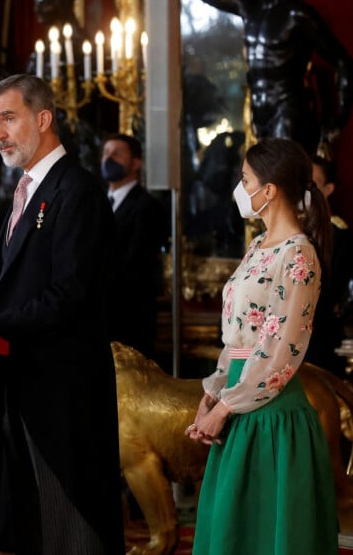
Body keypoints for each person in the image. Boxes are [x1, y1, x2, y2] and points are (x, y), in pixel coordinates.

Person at [0, 74, 125, 554]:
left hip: (61, 393)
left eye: (8, 118)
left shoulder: (78, 191)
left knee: (70, 527)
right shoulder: (23, 189)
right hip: (19, 383)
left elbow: (70, 293)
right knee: (31, 527)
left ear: (44, 118)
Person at [185, 138, 338, 554]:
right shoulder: (256, 247)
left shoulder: (299, 254)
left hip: (269, 414)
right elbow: (235, 335)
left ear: (267, 190)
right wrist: (213, 392)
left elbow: (279, 349)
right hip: (238, 405)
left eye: (245, 179)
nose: (240, 187)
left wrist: (227, 405)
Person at [166, 0, 353, 154]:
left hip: (289, 112)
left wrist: (338, 122)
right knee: (260, 180)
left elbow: (341, 61)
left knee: (281, 180)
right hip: (259, 114)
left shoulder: (297, 14)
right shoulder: (248, 7)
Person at [102, 133, 169, 358]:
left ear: (136, 163)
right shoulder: (96, 203)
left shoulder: (147, 206)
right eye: (106, 153)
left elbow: (136, 265)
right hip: (99, 319)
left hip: (129, 317)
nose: (108, 159)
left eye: (117, 154)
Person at [305, 155, 353, 376]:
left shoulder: (339, 236)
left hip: (319, 343)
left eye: (312, 184)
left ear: (328, 188)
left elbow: (325, 296)